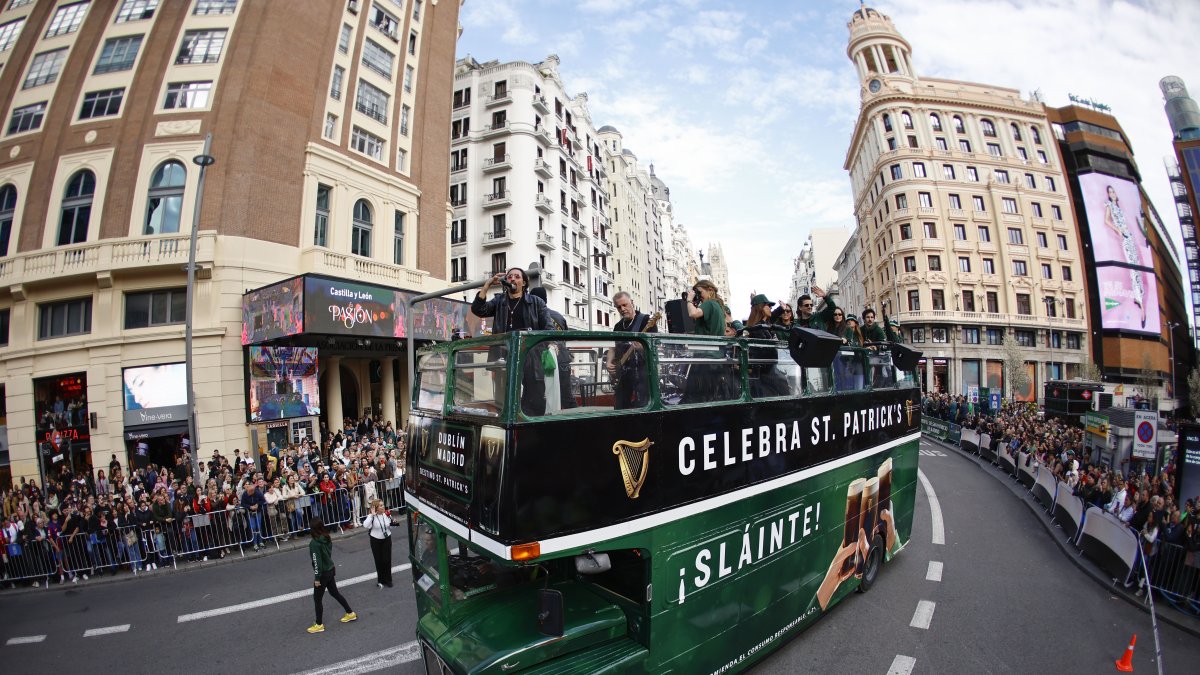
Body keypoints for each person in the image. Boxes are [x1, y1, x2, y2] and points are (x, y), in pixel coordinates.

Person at [470, 267, 554, 416]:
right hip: (504, 357)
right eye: (509, 277)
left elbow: (549, 327)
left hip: (530, 357)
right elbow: (478, 309)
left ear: (524, 283)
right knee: (504, 398)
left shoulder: (536, 302)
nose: (513, 279)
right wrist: (487, 285)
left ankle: (530, 427)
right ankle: (507, 427)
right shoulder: (499, 301)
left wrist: (552, 345)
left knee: (534, 397)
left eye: (517, 277)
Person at [1102, 185, 1147, 328]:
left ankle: (1138, 298)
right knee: (1133, 268)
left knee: (1136, 267)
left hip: (1130, 237)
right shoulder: (1109, 205)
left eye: (1113, 191)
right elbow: (1106, 220)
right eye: (1110, 192)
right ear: (1108, 195)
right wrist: (1118, 231)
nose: (1112, 193)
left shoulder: (1118, 206)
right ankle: (1141, 305)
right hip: (1125, 237)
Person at [607, 291, 657, 409]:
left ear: (632, 303)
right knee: (620, 407)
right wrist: (608, 362)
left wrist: (642, 347)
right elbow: (612, 347)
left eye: (625, 305)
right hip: (623, 375)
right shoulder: (618, 326)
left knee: (642, 407)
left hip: (642, 373)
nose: (622, 309)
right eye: (619, 307)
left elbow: (653, 347)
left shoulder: (646, 321)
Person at [307, 516, 356, 634]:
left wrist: (317, 578)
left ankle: (319, 624)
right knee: (334, 593)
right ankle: (350, 613)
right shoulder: (326, 537)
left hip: (323, 574)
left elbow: (317, 562)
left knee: (317, 599)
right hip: (330, 569)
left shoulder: (314, 543)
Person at [363, 499, 396, 588]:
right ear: (376, 508)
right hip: (375, 540)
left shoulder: (386, 514)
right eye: (381, 505)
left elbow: (393, 527)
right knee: (378, 561)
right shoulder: (371, 516)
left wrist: (393, 522)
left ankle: (388, 579)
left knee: (387, 560)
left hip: (387, 539)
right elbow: (365, 525)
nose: (383, 506)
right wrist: (372, 515)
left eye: (383, 504)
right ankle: (381, 580)